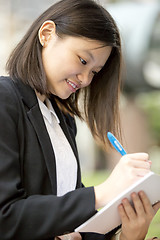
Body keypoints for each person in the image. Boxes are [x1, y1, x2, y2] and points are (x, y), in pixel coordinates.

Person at [0, 0, 159, 239]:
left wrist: (128, 232)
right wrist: (101, 193)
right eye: (83, 61)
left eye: (95, 72)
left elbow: (68, 215)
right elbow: (5, 217)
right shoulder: (5, 100)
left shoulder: (62, 119)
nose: (85, 79)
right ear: (47, 34)